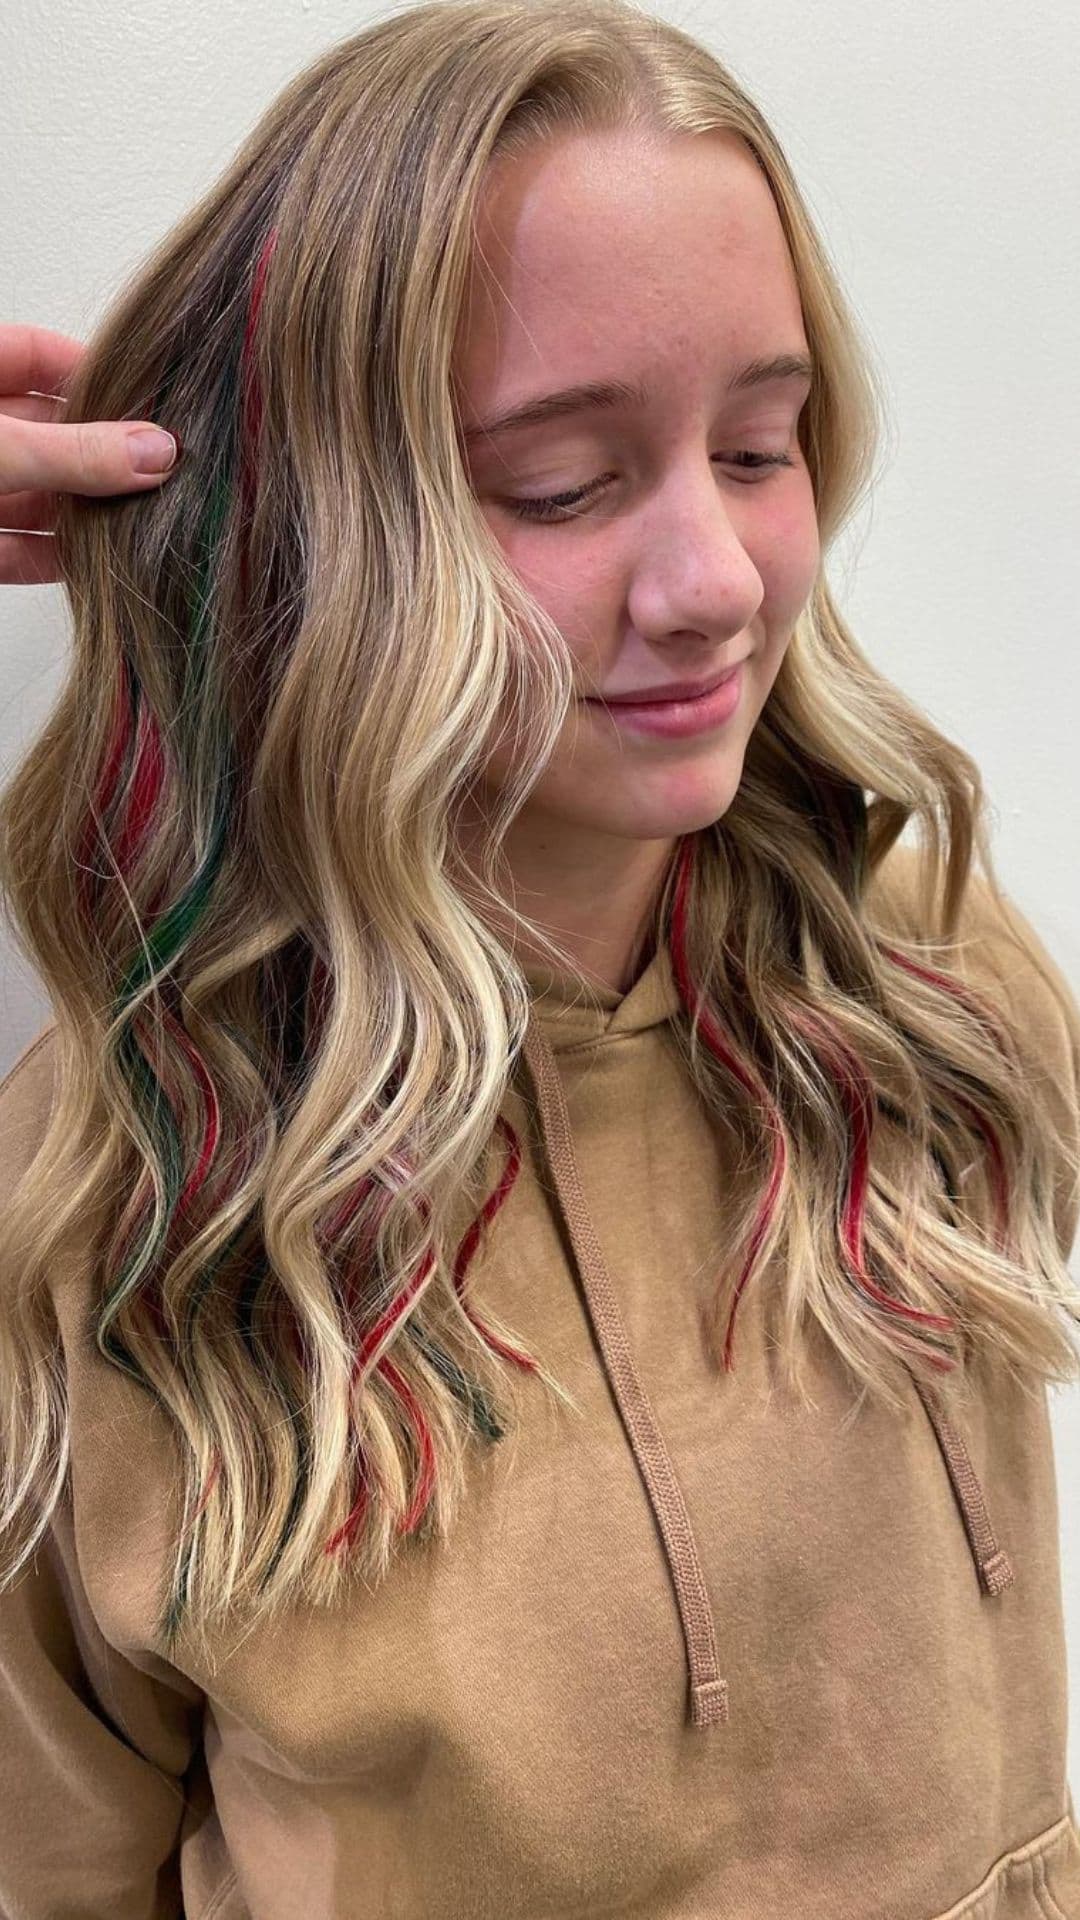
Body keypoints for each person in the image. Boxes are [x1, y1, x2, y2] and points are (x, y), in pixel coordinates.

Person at [1, 2, 1079, 1915]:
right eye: (562, 486)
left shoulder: (914, 966)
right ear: (310, 530)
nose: (718, 582)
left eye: (761, 444)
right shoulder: (114, 1202)